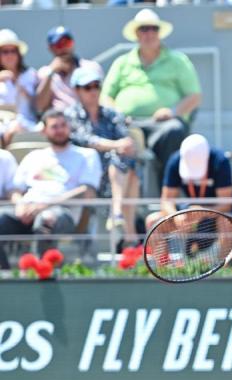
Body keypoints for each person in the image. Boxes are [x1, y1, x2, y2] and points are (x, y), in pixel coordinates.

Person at [101, 8, 201, 186]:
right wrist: (118, 114)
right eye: (144, 29)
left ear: (159, 32)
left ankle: (168, 193)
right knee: (108, 137)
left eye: (154, 28)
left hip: (164, 125)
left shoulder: (178, 60)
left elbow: (194, 96)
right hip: (127, 124)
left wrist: (172, 112)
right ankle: (116, 200)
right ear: (136, 34)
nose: (149, 33)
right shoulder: (122, 62)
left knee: (174, 131)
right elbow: (105, 97)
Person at [0, 110, 101, 269]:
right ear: (44, 130)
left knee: (46, 219)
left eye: (63, 125)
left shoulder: (86, 155)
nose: (60, 130)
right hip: (27, 210)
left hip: (63, 213)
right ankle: (4, 277)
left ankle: (44, 275)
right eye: (54, 126)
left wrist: (44, 205)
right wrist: (20, 205)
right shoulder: (34, 156)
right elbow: (15, 189)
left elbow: (87, 191)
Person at [64, 67, 139, 250]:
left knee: (124, 165)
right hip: (85, 175)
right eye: (87, 87)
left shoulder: (112, 114)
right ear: (77, 90)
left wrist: (121, 146)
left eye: (96, 86)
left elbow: (126, 141)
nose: (93, 91)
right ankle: (128, 232)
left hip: (112, 175)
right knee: (130, 173)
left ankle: (118, 216)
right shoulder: (70, 114)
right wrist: (116, 145)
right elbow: (85, 140)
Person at [145, 134, 232, 230]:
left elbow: (226, 205)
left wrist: (203, 213)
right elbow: (166, 201)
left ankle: (226, 246)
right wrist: (176, 216)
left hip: (214, 213)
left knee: (226, 222)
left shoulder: (220, 161)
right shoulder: (175, 161)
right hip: (188, 212)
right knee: (153, 220)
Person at [36, 26, 104, 113]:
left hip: (87, 120)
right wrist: (51, 73)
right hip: (61, 122)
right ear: (50, 48)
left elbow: (101, 99)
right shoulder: (44, 73)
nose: (64, 48)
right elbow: (40, 107)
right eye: (59, 45)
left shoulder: (92, 67)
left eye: (67, 43)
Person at [0, 29, 38, 148]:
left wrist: (21, 88)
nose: (10, 55)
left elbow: (38, 105)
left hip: (28, 124)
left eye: (13, 51)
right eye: (5, 52)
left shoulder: (31, 74)